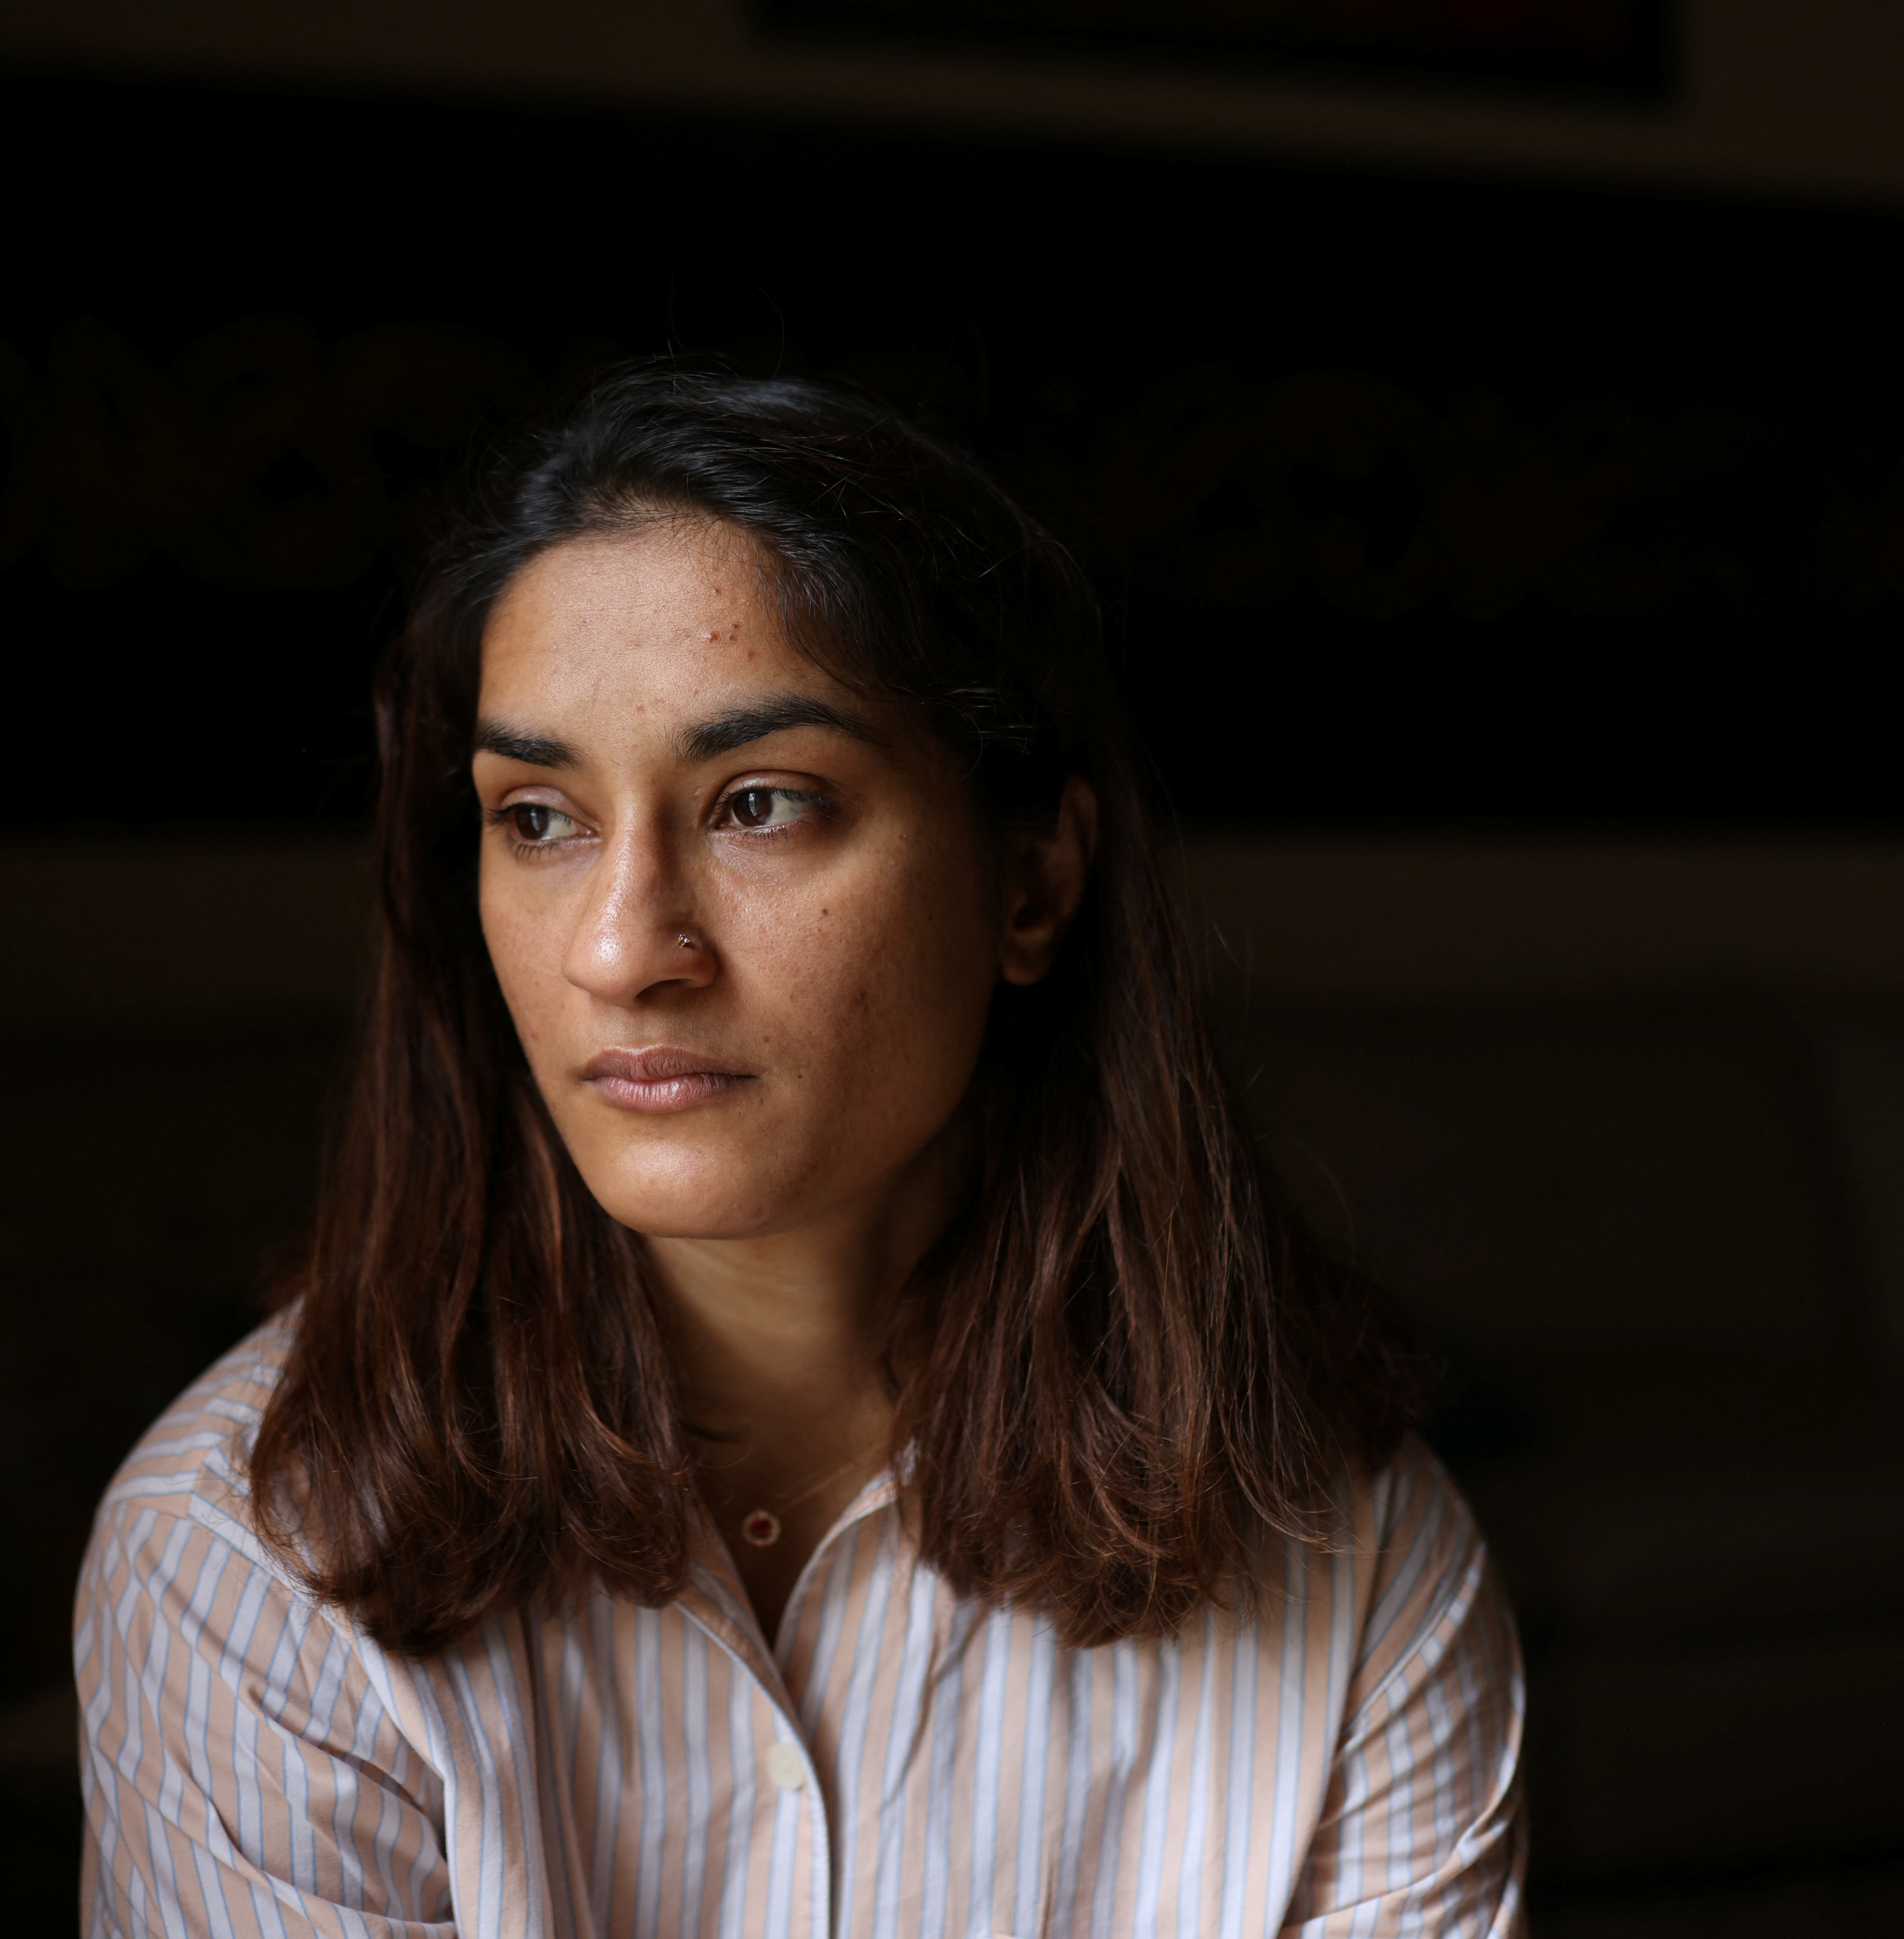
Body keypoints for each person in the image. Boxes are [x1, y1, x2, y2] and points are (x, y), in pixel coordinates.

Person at [75, 367, 1525, 1938]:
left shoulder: (1360, 1554)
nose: (624, 950)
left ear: (1029, 882)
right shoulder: (242, 1564)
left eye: (760, 803)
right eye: (539, 818)